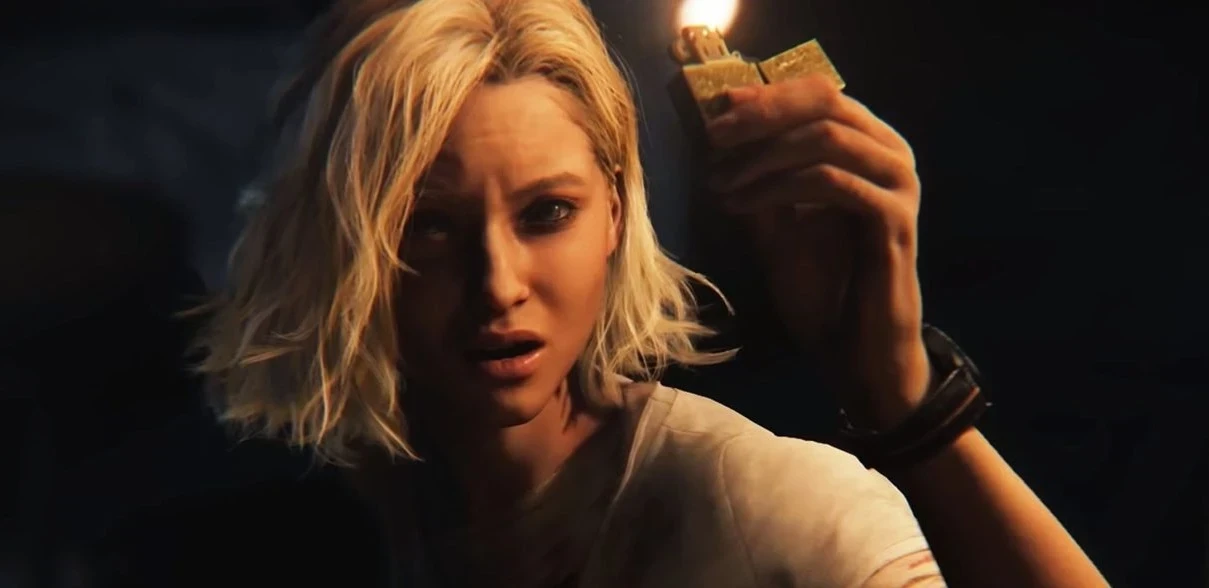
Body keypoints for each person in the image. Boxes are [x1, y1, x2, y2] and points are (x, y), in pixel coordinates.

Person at [190, 0, 1108, 586]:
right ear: (342, 237)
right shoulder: (315, 521)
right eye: (428, 225)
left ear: (616, 218)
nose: (498, 284)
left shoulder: (754, 501)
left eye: (547, 212)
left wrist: (902, 402)